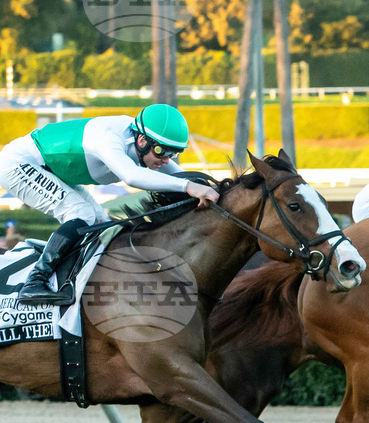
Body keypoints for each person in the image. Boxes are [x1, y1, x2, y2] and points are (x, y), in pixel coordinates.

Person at [0, 104, 219, 305]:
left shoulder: (145, 143)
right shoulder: (109, 139)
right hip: (19, 164)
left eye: (174, 153)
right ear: (142, 141)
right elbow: (132, 176)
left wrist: (214, 188)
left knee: (102, 222)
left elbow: (183, 176)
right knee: (81, 212)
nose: (166, 160)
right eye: (162, 152)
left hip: (51, 169)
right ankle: (35, 281)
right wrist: (188, 187)